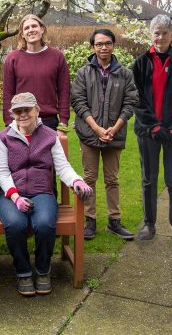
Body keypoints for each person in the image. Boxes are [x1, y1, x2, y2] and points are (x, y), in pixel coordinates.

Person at [0, 92, 92, 296]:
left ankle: (42, 270)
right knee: (15, 224)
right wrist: (15, 196)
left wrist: (76, 181)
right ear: (12, 114)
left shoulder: (50, 136)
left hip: (42, 192)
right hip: (11, 195)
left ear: (37, 111)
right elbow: (2, 172)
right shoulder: (4, 137)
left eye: (27, 110)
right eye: (18, 111)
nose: (22, 115)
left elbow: (63, 166)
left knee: (44, 223)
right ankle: (22, 272)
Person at [132, 15, 172, 249]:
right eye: (156, 33)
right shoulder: (139, 63)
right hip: (148, 132)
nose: (160, 37)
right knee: (149, 180)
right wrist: (154, 126)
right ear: (151, 34)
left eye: (164, 33)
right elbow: (137, 99)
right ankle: (149, 224)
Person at [71, 28, 138, 241]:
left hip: (114, 135)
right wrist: (97, 129)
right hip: (89, 135)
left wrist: (114, 128)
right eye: (99, 44)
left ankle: (114, 222)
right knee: (89, 178)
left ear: (113, 45)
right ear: (93, 47)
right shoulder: (84, 73)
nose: (103, 47)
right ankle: (89, 220)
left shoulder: (125, 74)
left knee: (112, 179)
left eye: (107, 43)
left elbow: (130, 103)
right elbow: (78, 102)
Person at [3, 14, 70, 135]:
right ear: (22, 34)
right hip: (21, 121)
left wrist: (63, 123)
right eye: (26, 28)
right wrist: (9, 123)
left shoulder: (57, 56)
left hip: (49, 122)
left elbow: (64, 92)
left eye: (34, 26)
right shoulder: (12, 58)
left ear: (42, 29)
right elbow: (8, 94)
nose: (31, 30)